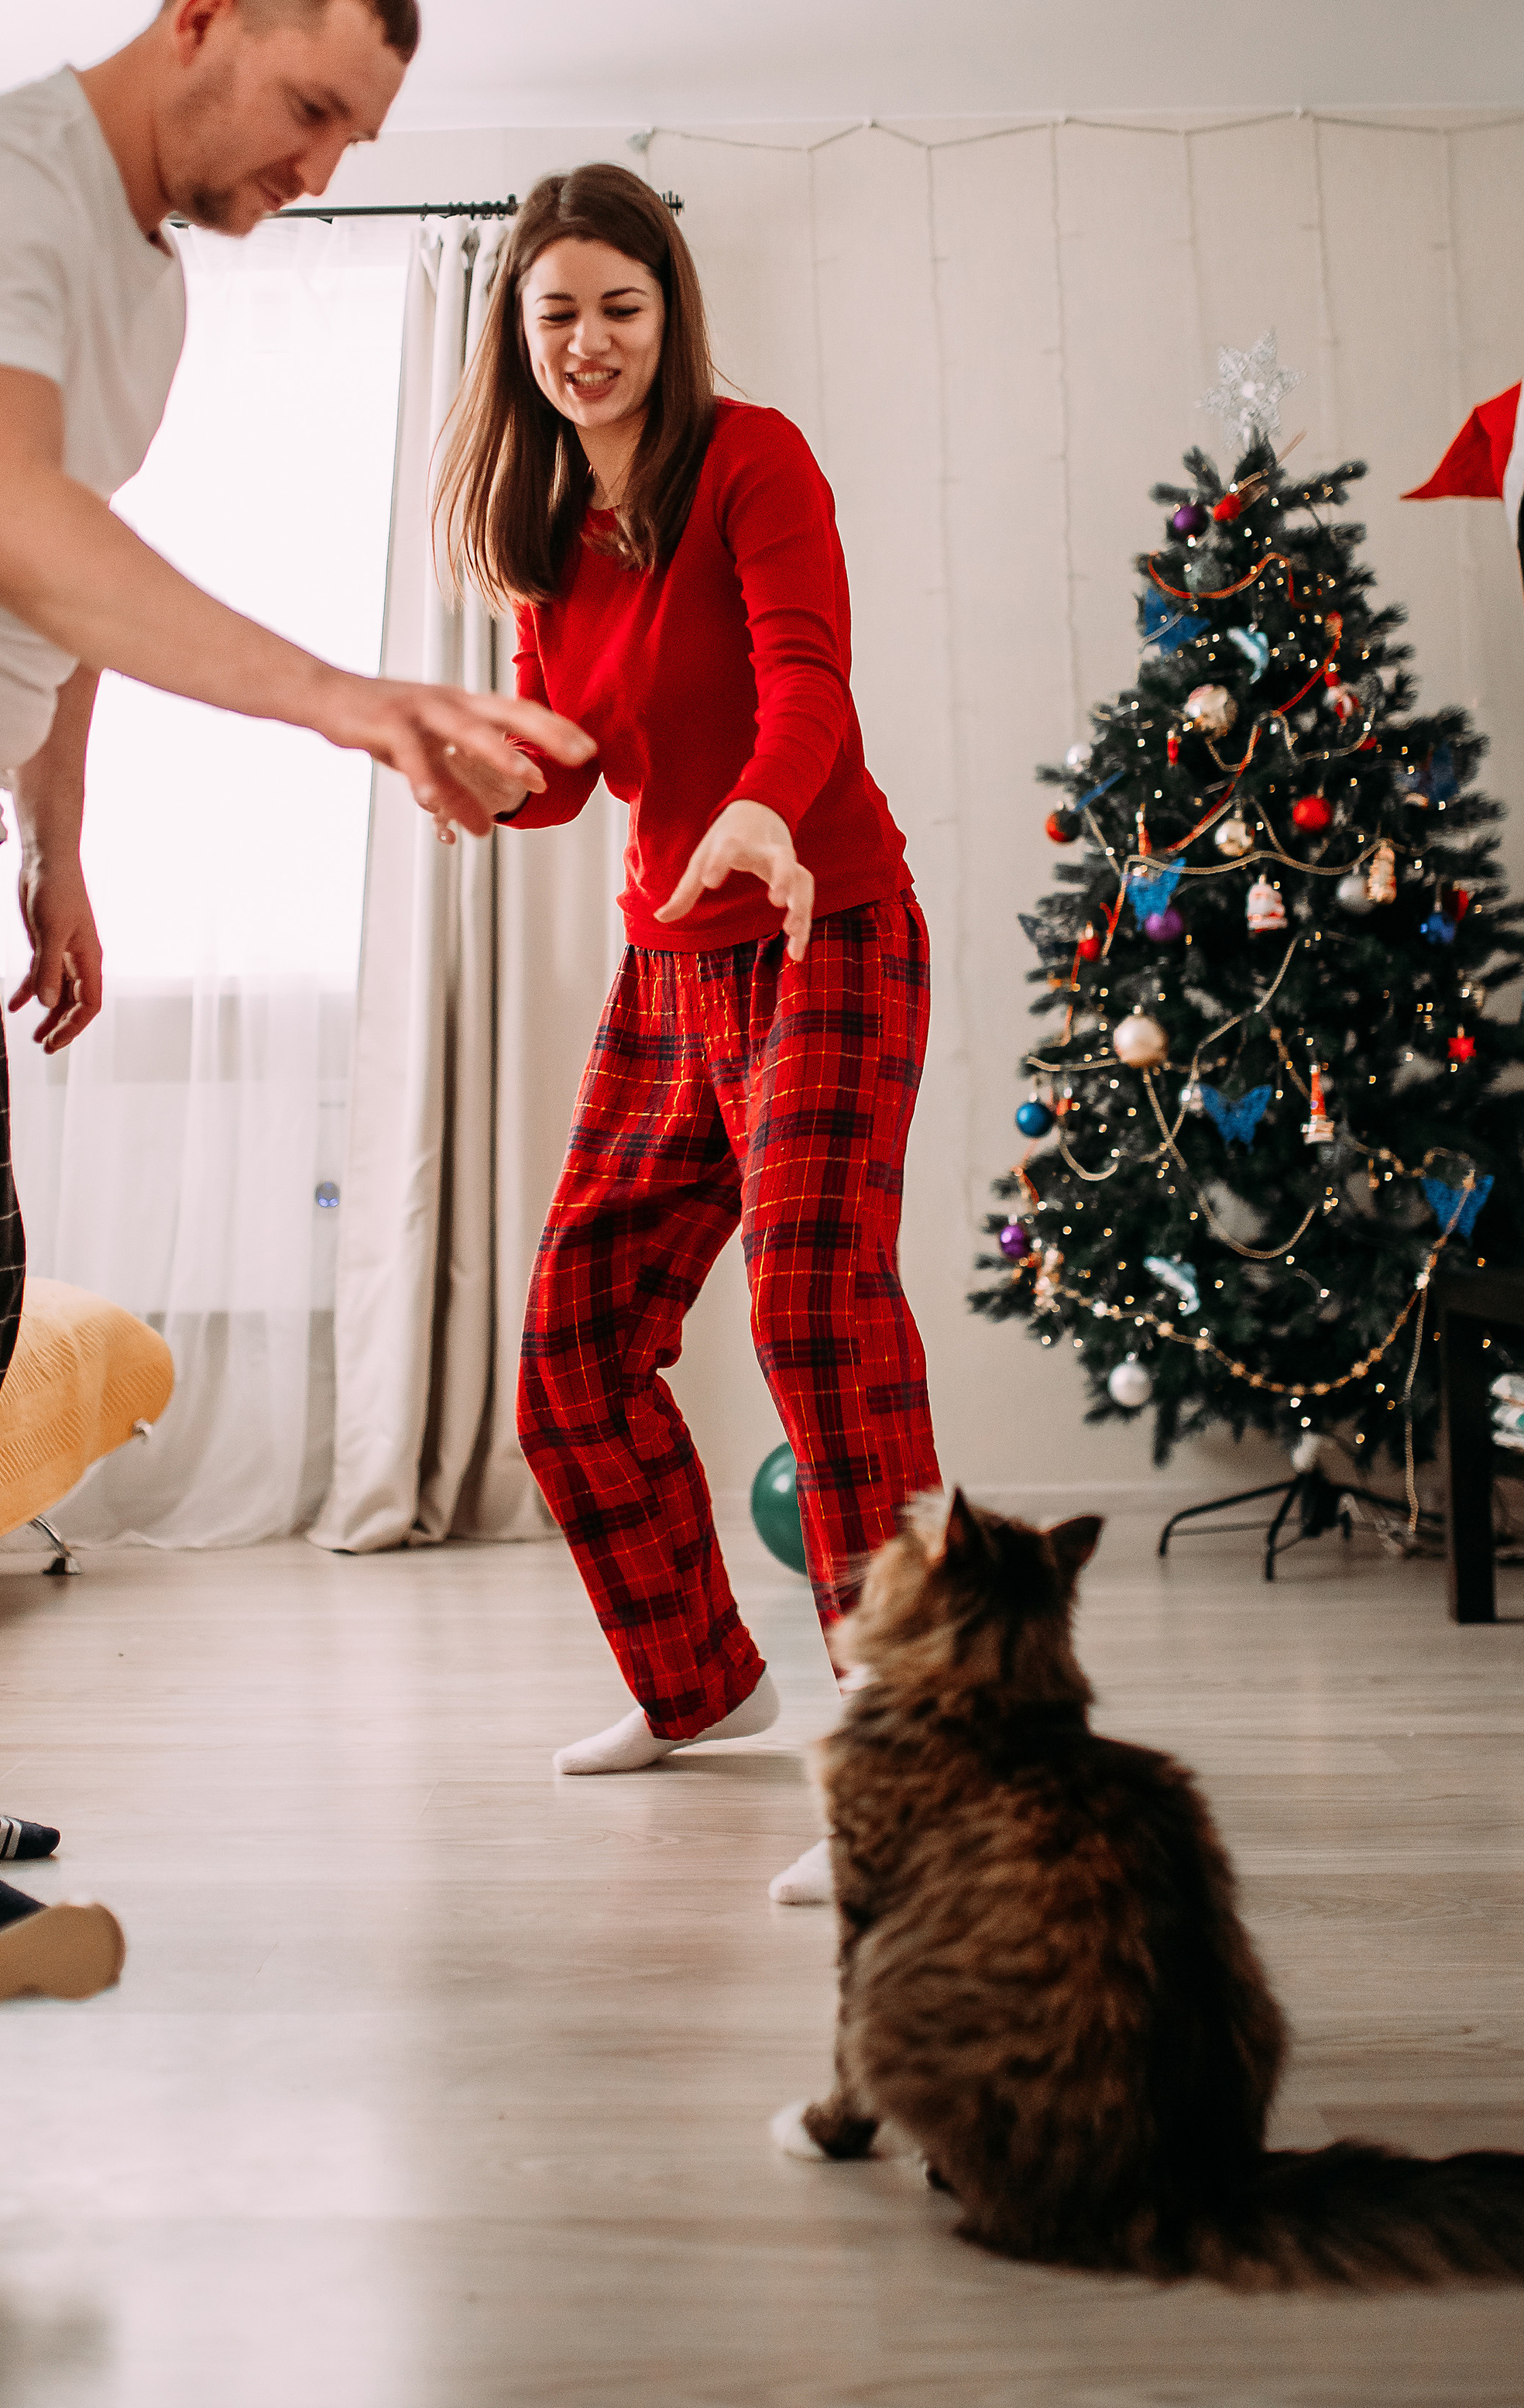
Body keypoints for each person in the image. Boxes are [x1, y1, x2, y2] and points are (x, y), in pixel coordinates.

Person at [0, 0, 590, 1969]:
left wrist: (55, 851)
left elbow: (51, 578)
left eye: (357, 135)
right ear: (200, 16)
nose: (322, 160)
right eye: (309, 102)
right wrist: (361, 704)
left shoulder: (148, 292)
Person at [434, 163, 940, 1905]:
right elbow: (565, 769)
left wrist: (764, 813)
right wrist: (481, 779)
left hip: (826, 930)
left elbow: (806, 676)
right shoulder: (543, 531)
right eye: (556, 312)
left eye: (619, 308)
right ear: (518, 329)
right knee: (568, 1346)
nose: (587, 343)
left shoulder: (752, 458)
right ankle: (694, 1681)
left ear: (671, 315)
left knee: (813, 1301)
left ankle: (914, 1773)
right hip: (668, 975)